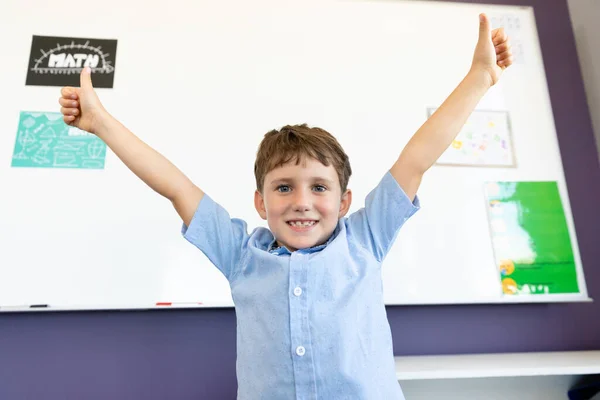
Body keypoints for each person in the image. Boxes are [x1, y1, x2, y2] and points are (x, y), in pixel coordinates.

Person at [58, 13, 513, 400]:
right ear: (259, 202)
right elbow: (175, 186)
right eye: (283, 188)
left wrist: (479, 78)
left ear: (344, 200)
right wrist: (101, 123)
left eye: (319, 187)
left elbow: (417, 157)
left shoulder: (365, 240)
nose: (302, 202)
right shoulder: (240, 255)